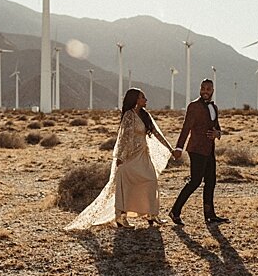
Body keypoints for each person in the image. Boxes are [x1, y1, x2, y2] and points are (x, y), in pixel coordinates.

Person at [65, 88, 177, 231]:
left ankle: (151, 214)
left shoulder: (145, 115)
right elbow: (124, 138)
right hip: (130, 157)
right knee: (126, 185)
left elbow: (157, 134)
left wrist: (170, 148)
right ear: (136, 99)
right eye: (143, 97)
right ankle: (121, 217)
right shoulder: (129, 116)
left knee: (151, 181)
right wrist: (120, 158)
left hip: (143, 155)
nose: (146, 100)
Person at [170, 77, 223, 227]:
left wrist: (217, 134)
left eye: (208, 89)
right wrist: (179, 148)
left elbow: (217, 128)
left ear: (212, 90)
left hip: (209, 149)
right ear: (200, 89)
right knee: (195, 181)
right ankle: (175, 211)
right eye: (203, 88)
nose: (205, 91)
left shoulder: (214, 107)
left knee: (211, 181)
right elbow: (186, 127)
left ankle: (210, 215)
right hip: (196, 149)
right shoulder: (193, 106)